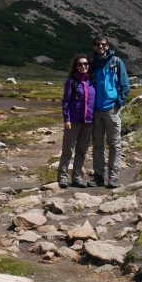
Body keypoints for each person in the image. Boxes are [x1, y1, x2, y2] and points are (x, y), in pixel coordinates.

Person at [90, 35, 130, 188]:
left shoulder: (116, 62)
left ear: (107, 46)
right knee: (97, 145)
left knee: (114, 144)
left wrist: (118, 103)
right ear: (94, 46)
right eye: (97, 44)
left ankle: (113, 177)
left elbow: (125, 85)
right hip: (96, 110)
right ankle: (98, 177)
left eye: (103, 44)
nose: (101, 47)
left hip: (111, 109)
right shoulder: (92, 64)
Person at [58, 54, 94, 188]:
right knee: (68, 150)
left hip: (89, 122)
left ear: (89, 66)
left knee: (82, 151)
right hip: (73, 121)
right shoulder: (71, 82)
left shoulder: (92, 82)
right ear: (75, 67)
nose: (83, 66)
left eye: (85, 64)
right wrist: (66, 119)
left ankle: (77, 178)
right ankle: (62, 177)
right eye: (80, 64)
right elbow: (66, 101)